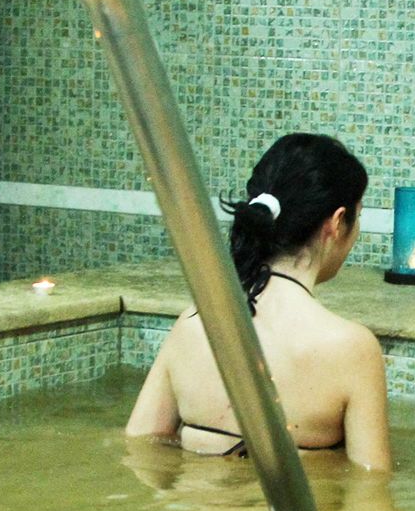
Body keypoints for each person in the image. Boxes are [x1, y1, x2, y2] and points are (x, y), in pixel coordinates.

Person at [127, 133, 392, 472]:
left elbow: (140, 448)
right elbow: (371, 488)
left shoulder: (195, 323)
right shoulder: (351, 349)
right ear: (337, 223)